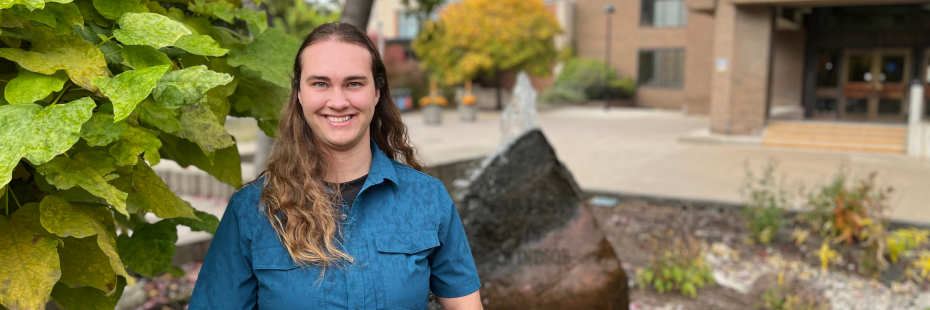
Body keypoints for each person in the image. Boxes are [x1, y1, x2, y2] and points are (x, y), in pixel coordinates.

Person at [189, 22, 483, 310]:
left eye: (354, 83)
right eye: (320, 84)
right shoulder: (252, 209)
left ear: (377, 92)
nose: (338, 101)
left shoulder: (427, 198)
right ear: (300, 95)